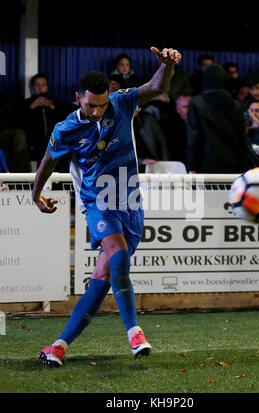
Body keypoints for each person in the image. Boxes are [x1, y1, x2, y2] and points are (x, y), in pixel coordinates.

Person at [32, 46, 182, 367]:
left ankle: (57, 346)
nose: (97, 111)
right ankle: (134, 332)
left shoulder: (122, 102)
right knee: (119, 255)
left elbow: (156, 87)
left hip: (130, 204)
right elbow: (47, 162)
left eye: (101, 105)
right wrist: (35, 194)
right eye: (90, 105)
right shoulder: (66, 129)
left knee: (102, 280)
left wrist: (166, 66)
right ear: (77, 97)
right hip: (98, 202)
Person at [186, 63, 252, 174]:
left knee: (207, 192)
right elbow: (242, 138)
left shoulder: (196, 103)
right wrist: (243, 165)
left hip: (205, 165)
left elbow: (193, 136)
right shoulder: (236, 105)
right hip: (233, 165)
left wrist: (191, 166)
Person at [16, 73, 68, 171]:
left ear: (47, 87)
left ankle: (58, 183)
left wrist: (51, 106)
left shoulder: (55, 103)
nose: (40, 88)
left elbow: (66, 119)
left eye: (43, 85)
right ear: (32, 87)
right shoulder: (25, 104)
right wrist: (32, 108)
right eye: (37, 85)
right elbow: (18, 121)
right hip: (33, 142)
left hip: (54, 139)